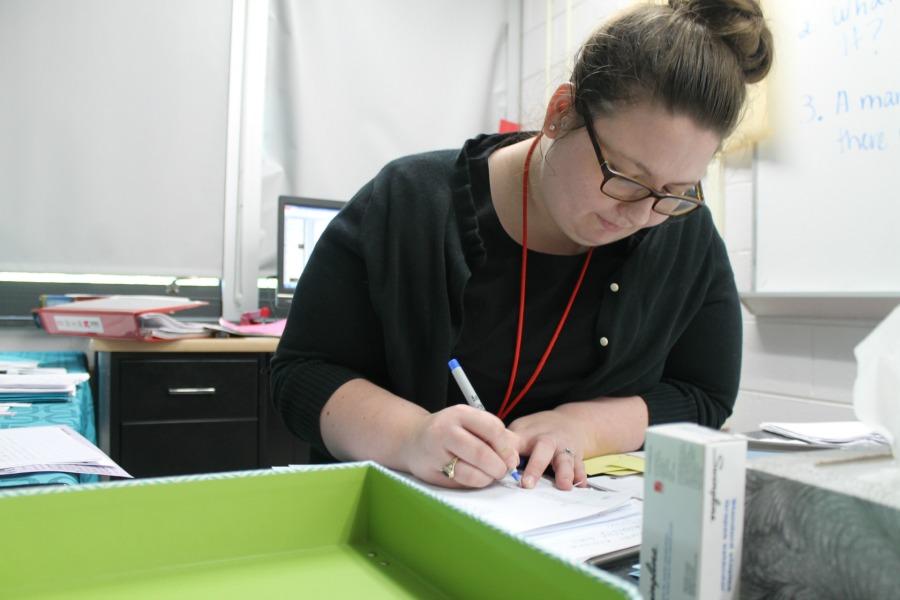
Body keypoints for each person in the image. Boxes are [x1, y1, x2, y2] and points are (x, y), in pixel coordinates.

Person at [272, 0, 773, 491]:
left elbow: (704, 394)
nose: (642, 216)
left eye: (676, 192)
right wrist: (411, 437)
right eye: (624, 177)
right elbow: (302, 374)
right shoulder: (410, 202)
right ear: (561, 113)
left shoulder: (685, 235)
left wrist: (585, 426)